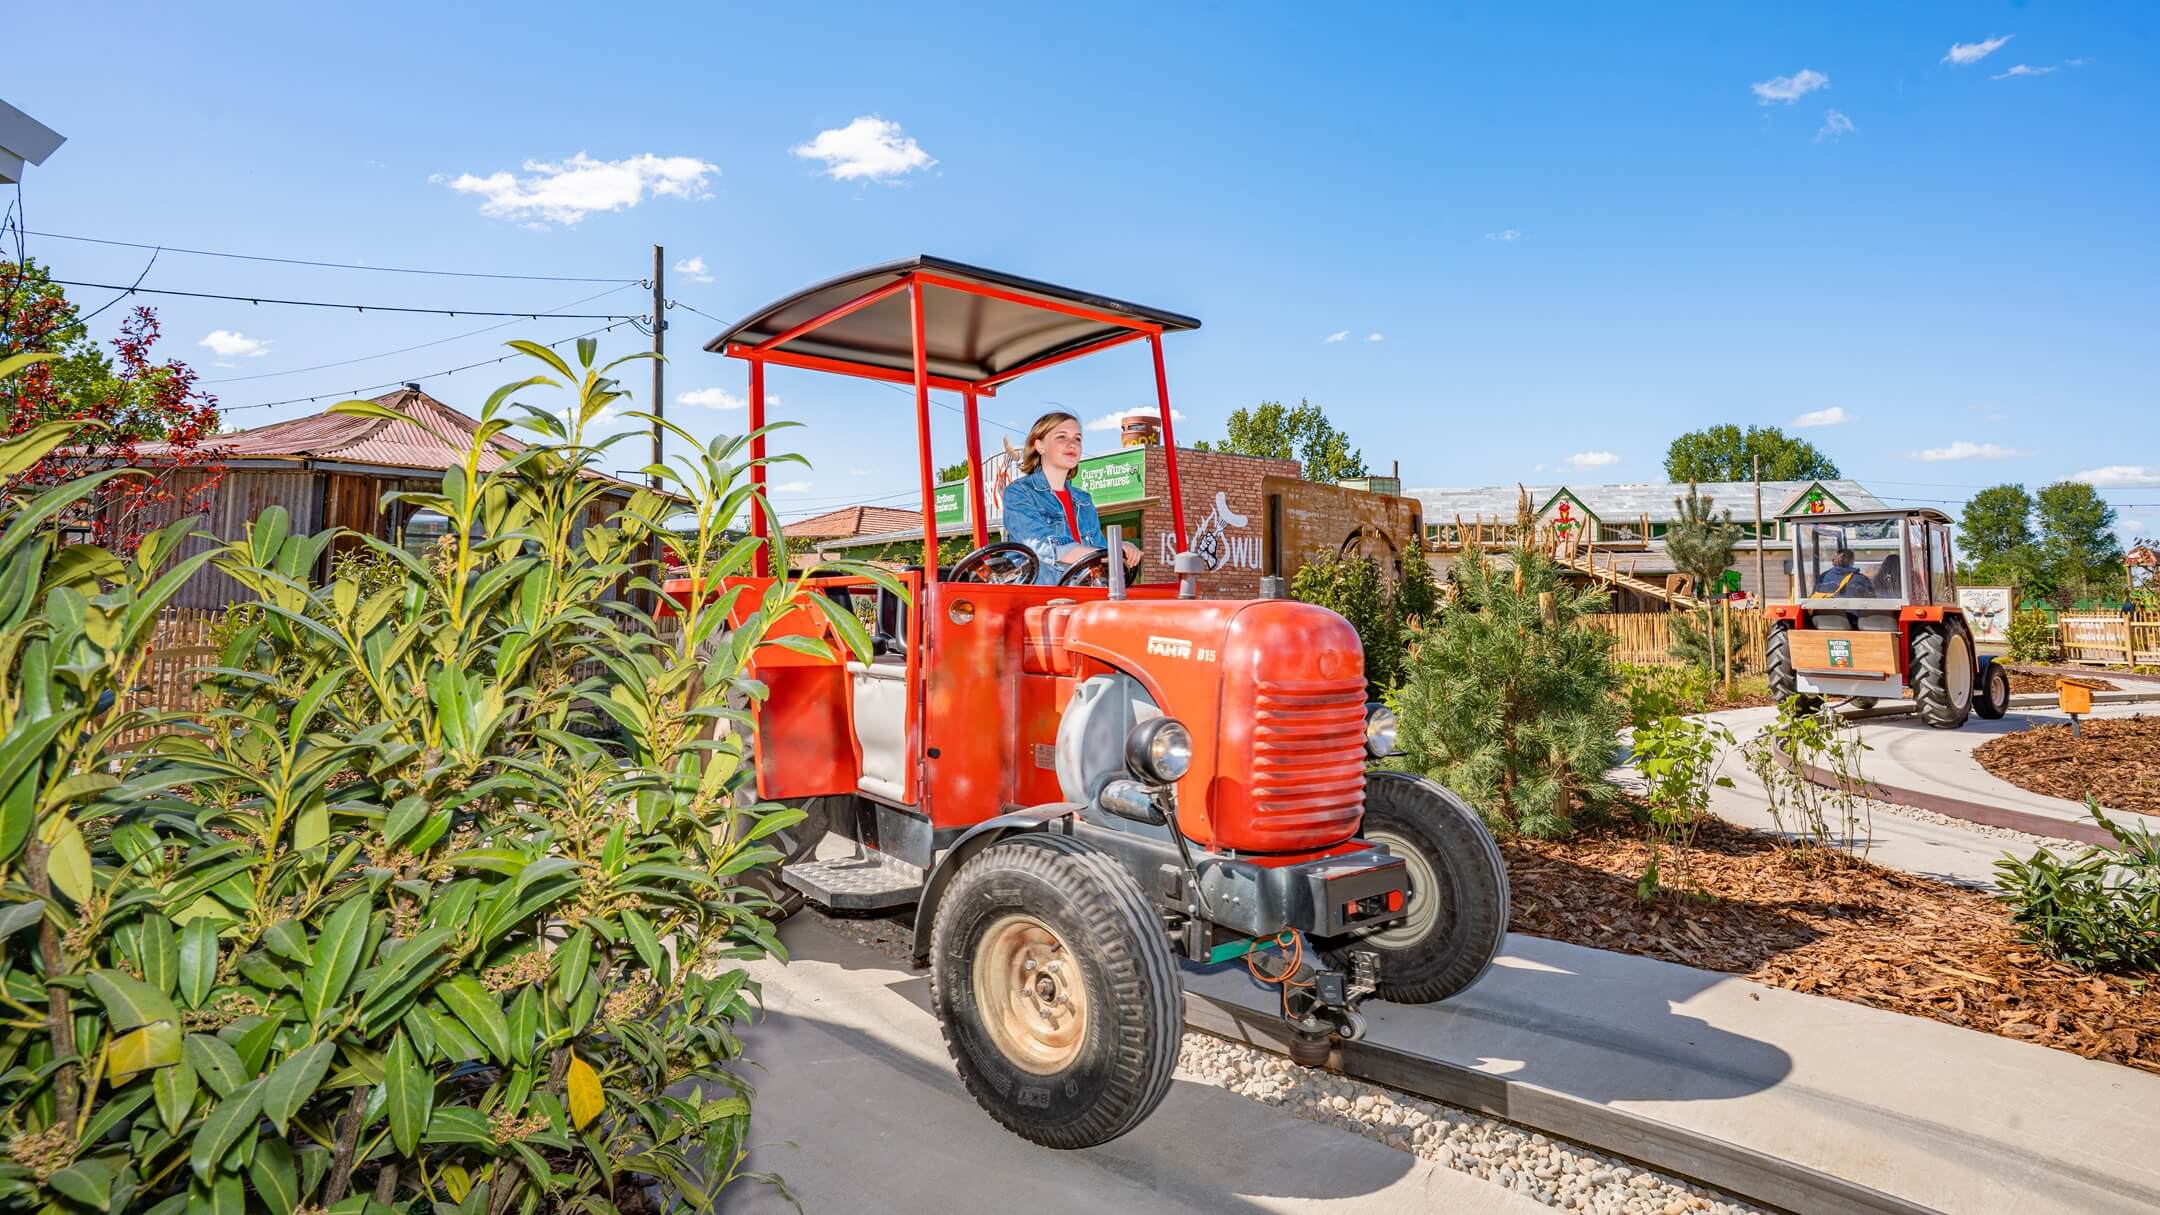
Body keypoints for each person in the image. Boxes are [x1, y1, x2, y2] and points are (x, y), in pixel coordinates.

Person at [1001, 411, 1143, 584]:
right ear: (1039, 446)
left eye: (1077, 438)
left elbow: (1097, 550)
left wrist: (1120, 549)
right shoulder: (1019, 493)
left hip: (1083, 594)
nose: (1072, 444)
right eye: (1061, 437)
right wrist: (1110, 552)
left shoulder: (1083, 500)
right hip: (1038, 598)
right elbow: (1043, 546)